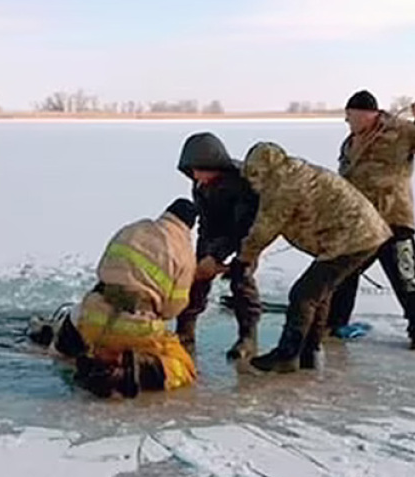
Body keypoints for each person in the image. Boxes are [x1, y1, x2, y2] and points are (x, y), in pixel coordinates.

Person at [226, 142, 392, 373]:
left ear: (263, 171)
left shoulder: (282, 186)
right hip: (360, 234)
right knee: (318, 294)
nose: (253, 184)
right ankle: (309, 352)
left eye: (254, 176)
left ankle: (287, 355)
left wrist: (242, 260)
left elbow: (265, 228)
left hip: (352, 238)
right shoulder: (291, 172)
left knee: (303, 295)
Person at [26, 199, 199, 398]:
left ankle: (70, 350)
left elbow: (103, 269)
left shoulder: (133, 229)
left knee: (76, 321)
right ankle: (122, 375)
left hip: (91, 317)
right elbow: (173, 308)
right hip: (135, 329)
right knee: (184, 368)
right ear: (189, 226)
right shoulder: (184, 251)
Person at [329, 89, 415, 350]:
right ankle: (335, 323)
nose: (347, 122)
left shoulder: (401, 131)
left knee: (407, 277)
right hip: (360, 223)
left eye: (350, 116)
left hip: (394, 220)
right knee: (343, 272)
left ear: (366, 114)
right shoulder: (350, 143)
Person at [174, 132, 263, 361]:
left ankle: (248, 337)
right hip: (215, 233)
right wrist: (205, 255)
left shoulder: (242, 183)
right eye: (191, 171)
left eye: (198, 170)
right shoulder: (200, 184)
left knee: (241, 278)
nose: (195, 176)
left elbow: (243, 228)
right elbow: (206, 221)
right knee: (197, 278)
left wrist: (219, 255)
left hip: (249, 233)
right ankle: (185, 331)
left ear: (214, 165)